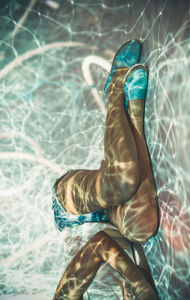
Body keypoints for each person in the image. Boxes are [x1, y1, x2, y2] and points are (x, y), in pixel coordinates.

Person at [52, 40, 159, 299]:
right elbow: (135, 247)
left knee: (122, 183)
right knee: (141, 229)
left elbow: (99, 245)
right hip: (116, 221)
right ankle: (133, 117)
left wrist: (141, 288)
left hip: (72, 213)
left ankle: (114, 91)